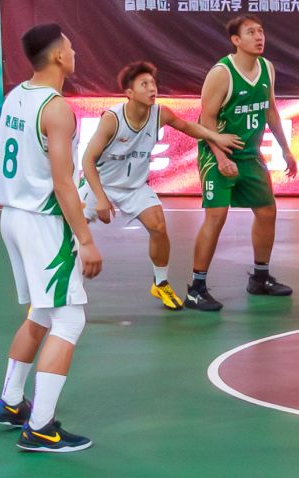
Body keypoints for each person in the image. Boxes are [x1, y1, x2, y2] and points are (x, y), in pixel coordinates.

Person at [0, 24, 104, 453]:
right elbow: (62, 182)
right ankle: (40, 427)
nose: (75, 52)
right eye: (70, 47)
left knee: (41, 312)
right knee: (70, 320)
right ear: (58, 56)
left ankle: (10, 402)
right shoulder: (56, 109)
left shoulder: (15, 96)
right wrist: (86, 239)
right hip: (42, 222)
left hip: (12, 216)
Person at [77, 62, 238, 312]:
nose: (152, 88)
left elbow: (188, 127)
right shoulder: (112, 119)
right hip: (100, 182)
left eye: (153, 83)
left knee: (159, 226)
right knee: (71, 231)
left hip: (134, 187)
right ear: (129, 93)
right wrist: (100, 198)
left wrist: (215, 136)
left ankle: (160, 283)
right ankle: (58, 290)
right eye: (144, 84)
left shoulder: (160, 114)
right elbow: (87, 160)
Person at [185, 15, 298, 310]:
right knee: (216, 216)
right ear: (236, 40)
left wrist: (285, 149)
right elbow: (206, 119)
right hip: (216, 152)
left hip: (250, 154)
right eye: (251, 32)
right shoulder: (221, 73)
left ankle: (260, 278)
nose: (259, 37)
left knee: (267, 212)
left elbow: (270, 110)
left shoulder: (266, 68)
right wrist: (220, 156)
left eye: (261, 31)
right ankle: (196, 288)